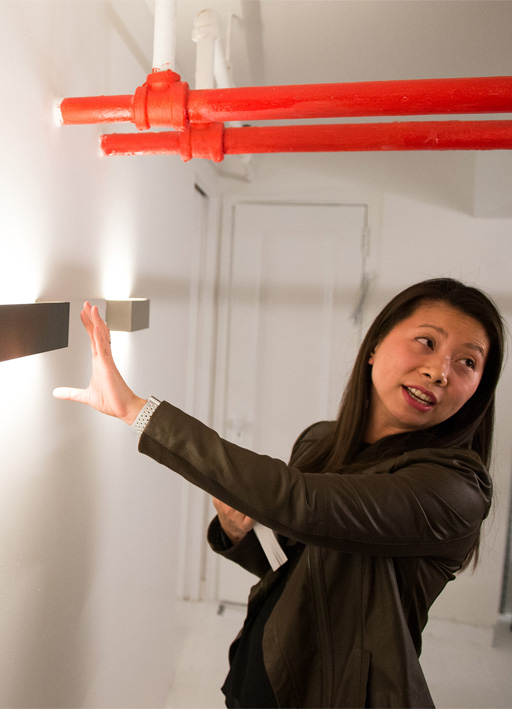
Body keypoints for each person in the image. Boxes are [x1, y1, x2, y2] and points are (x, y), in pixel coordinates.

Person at [54, 278, 505, 708]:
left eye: (467, 362)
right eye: (426, 342)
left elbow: (303, 504)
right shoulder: (320, 440)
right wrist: (237, 530)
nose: (438, 371)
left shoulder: (455, 489)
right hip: (258, 672)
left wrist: (137, 411)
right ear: (374, 346)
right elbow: (293, 564)